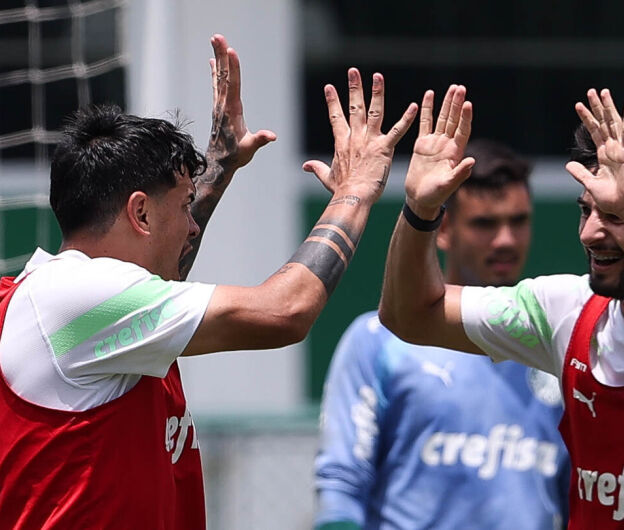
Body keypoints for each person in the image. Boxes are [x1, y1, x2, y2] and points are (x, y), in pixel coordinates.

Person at [0, 34, 419, 529]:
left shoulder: (87, 307)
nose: (193, 224)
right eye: (182, 207)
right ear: (139, 211)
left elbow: (167, 267)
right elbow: (285, 312)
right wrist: (355, 191)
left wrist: (218, 167)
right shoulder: (77, 298)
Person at [379, 85, 624, 528]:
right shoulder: (563, 310)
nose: (590, 233)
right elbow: (410, 315)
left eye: (616, 215)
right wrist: (420, 209)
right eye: (586, 211)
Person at [314, 139, 570, 530]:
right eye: (485, 223)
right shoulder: (379, 340)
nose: (506, 239)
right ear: (445, 228)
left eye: (518, 221)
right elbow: (341, 485)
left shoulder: (555, 342)